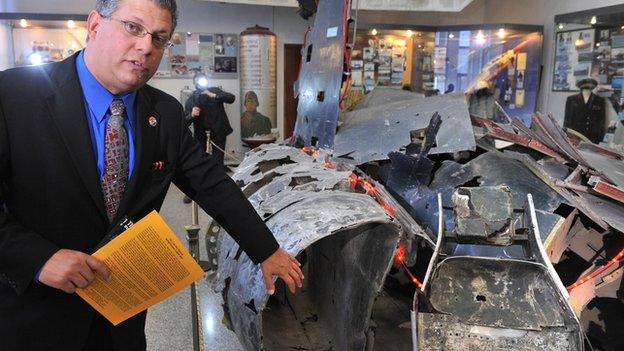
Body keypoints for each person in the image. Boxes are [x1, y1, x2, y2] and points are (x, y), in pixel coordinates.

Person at [0, 1, 303, 350]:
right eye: (133, 28)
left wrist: (266, 250)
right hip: (34, 317)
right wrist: (39, 259)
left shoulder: (165, 113)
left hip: (120, 321)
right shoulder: (15, 97)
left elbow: (211, 184)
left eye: (159, 38)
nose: (146, 47)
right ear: (95, 25)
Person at [185, 72, 234, 168]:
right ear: (194, 84)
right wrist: (192, 115)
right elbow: (185, 122)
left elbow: (231, 98)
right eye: (197, 82)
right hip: (200, 133)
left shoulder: (214, 91)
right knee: (200, 159)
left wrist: (215, 96)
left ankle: (218, 178)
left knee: (218, 160)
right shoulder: (191, 99)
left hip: (218, 130)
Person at [564, 78, 607, 143]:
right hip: (575, 136)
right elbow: (567, 120)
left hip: (593, 137)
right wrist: (566, 135)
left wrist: (601, 139)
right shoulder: (571, 100)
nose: (587, 89)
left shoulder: (600, 101)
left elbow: (602, 121)